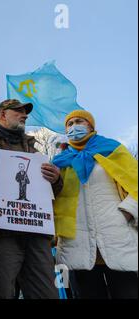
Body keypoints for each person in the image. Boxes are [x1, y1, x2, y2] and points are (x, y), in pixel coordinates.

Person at [0, 99, 63, 299]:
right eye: (18, 111)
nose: (25, 115)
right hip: (1, 233)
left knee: (46, 292)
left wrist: (56, 179)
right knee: (1, 292)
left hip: (36, 235)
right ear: (2, 114)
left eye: (25, 113)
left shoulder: (33, 150)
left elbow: (51, 190)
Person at [52, 110, 138, 299]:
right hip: (76, 244)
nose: (74, 126)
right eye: (69, 124)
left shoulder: (113, 150)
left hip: (118, 239)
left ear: (91, 126)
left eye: (79, 121)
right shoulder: (59, 162)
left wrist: (127, 213)